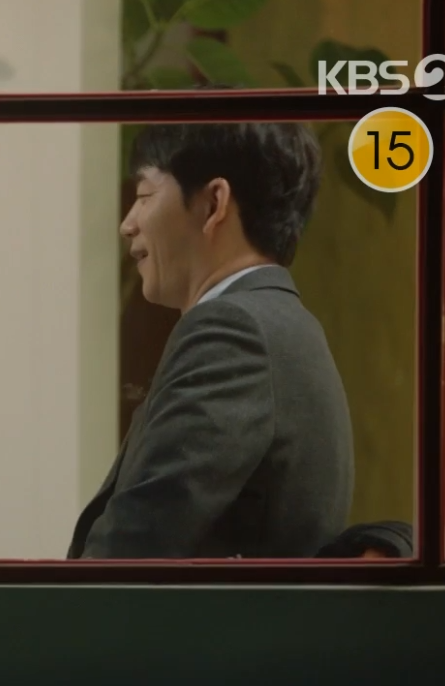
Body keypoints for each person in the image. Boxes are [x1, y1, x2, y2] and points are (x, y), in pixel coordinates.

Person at [69, 122, 353, 559]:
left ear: (213, 203)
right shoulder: (280, 321)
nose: (128, 224)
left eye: (145, 195)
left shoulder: (233, 330)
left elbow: (138, 542)